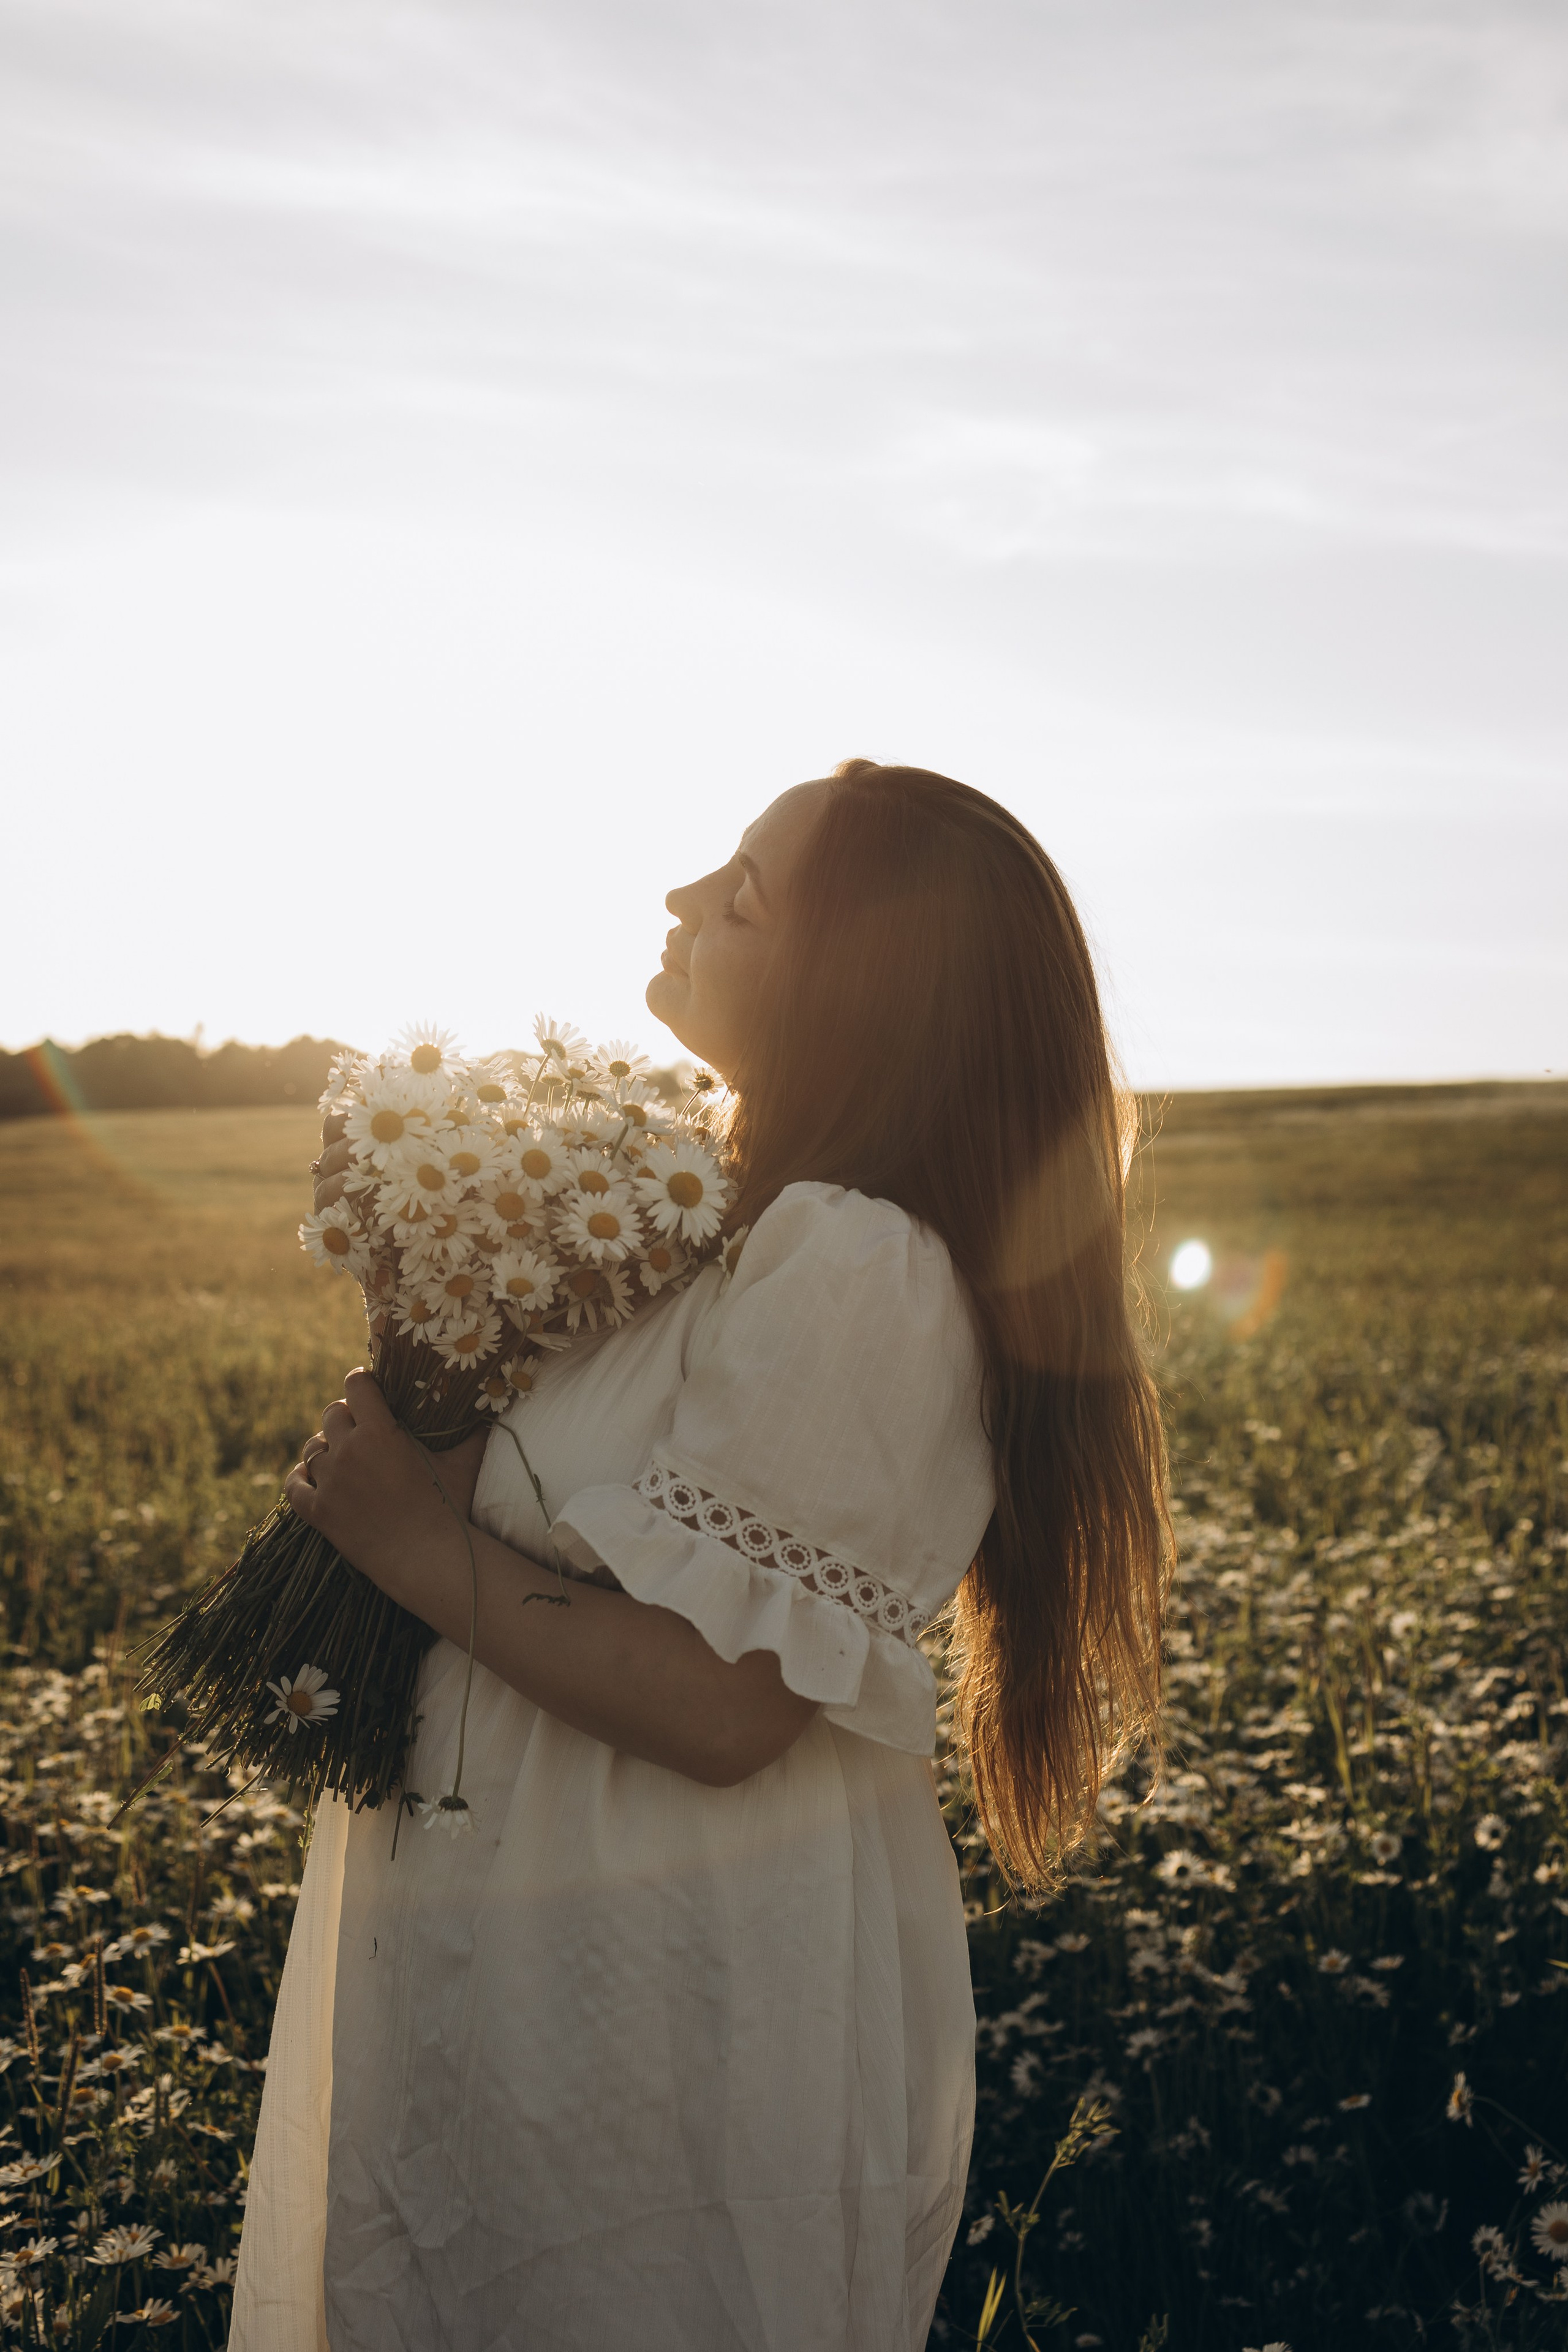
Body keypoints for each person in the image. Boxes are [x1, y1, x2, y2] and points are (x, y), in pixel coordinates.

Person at [229, 759, 1170, 2352]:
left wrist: (404, 1539)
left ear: (867, 990)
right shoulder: (699, 1235)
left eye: (740, 895)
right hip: (518, 1956)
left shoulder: (860, 1269)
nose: (678, 903)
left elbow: (729, 1707)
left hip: (652, 2012)